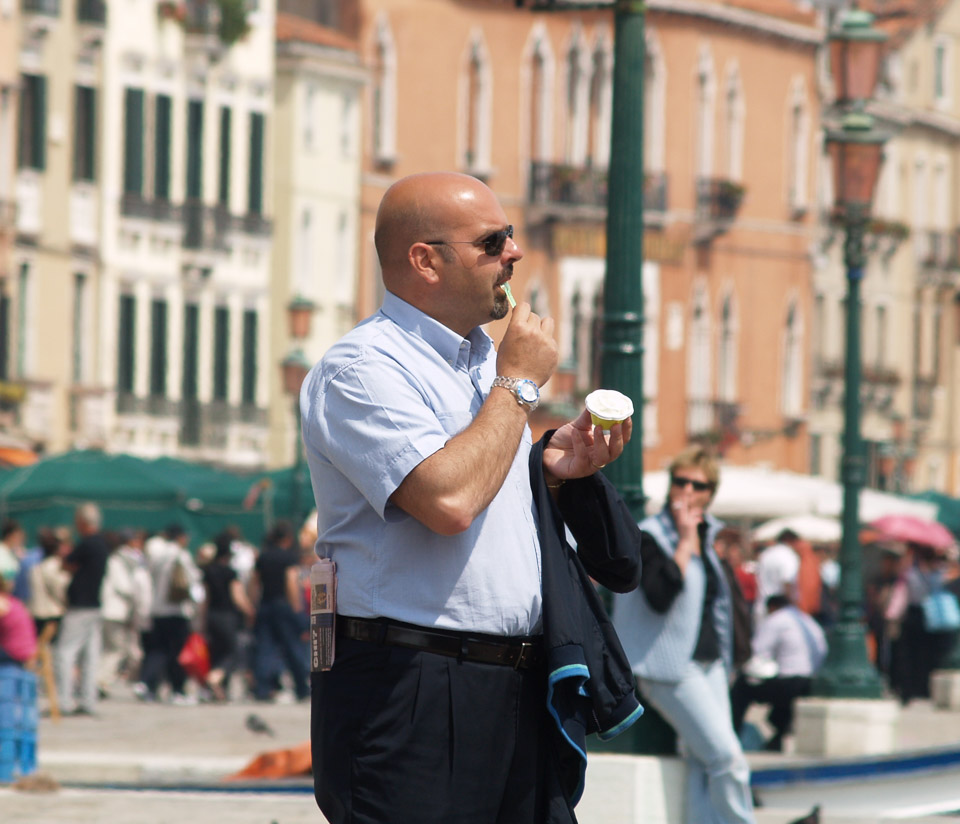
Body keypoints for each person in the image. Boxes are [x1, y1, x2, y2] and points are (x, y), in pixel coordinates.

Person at [302, 171, 642, 824]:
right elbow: (450, 500)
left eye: (510, 237)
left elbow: (479, 486)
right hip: (411, 685)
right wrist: (517, 384)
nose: (513, 253)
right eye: (492, 241)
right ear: (425, 261)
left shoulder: (484, 367)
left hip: (512, 685)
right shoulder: (362, 369)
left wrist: (547, 471)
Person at [612, 446, 755, 824]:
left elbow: (719, 606)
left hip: (710, 664)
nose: (688, 492)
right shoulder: (649, 536)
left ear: (711, 494)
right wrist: (686, 541)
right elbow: (661, 596)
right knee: (728, 758)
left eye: (699, 485)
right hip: (667, 668)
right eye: (680, 482)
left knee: (702, 762)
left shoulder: (710, 542)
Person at [730, 594, 827, 752]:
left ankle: (732, 732)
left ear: (772, 607)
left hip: (790, 682)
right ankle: (777, 737)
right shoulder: (807, 620)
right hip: (810, 681)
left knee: (741, 687)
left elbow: (757, 653)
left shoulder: (777, 620)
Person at [56, 503, 110, 717]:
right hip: (95, 605)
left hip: (80, 605)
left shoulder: (87, 543)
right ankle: (88, 700)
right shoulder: (102, 544)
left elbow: (66, 564)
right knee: (90, 656)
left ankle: (64, 701)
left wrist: (65, 553)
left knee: (64, 653)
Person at [137, 524, 201, 704]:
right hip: (177, 610)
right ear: (180, 537)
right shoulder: (182, 555)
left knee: (158, 650)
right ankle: (178, 690)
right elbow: (192, 581)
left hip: (157, 610)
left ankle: (146, 682)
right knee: (177, 653)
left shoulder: (157, 556)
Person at [98, 529, 152, 695]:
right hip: (115, 612)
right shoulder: (120, 560)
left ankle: (100, 680)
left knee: (110, 649)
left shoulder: (118, 559)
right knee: (116, 649)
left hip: (114, 611)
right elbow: (124, 586)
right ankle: (100, 680)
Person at [203, 531, 255, 701]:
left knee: (217, 651)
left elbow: (206, 598)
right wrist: (250, 610)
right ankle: (215, 677)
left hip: (212, 615)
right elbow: (237, 597)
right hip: (227, 616)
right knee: (232, 652)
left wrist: (202, 619)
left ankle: (219, 692)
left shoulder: (208, 571)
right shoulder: (230, 573)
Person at [753, 529, 801, 622]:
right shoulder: (788, 555)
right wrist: (793, 608)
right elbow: (788, 582)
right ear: (790, 541)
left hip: (761, 607)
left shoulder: (766, 554)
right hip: (779, 610)